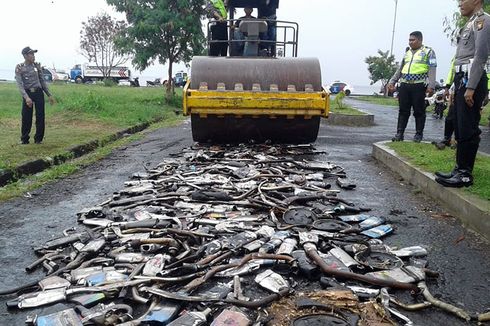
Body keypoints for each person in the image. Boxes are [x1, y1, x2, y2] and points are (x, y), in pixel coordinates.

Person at [435, 0, 490, 188]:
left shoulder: (483, 21)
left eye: (463, 0)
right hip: (461, 79)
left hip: (471, 79)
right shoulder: (469, 23)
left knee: (468, 127)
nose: (460, 4)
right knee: (459, 125)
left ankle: (465, 174)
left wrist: (471, 87)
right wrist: (453, 87)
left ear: (476, 1)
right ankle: (458, 169)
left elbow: (481, 56)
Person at [388, 31, 437, 142]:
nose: (410, 42)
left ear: (420, 40)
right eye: (409, 40)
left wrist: (431, 86)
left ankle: (418, 134)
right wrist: (392, 81)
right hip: (404, 85)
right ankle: (399, 134)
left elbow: (432, 69)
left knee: (419, 111)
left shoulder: (429, 52)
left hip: (419, 86)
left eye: (412, 40)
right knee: (403, 111)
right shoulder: (407, 53)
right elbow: (400, 69)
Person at [15, 47, 55, 145]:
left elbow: (42, 81)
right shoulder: (20, 67)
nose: (33, 56)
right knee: (26, 116)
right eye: (31, 54)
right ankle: (24, 139)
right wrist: (26, 97)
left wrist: (49, 95)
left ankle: (38, 139)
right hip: (28, 93)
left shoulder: (37, 66)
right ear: (25, 56)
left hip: (38, 93)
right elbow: (20, 84)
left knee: (40, 116)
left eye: (33, 54)